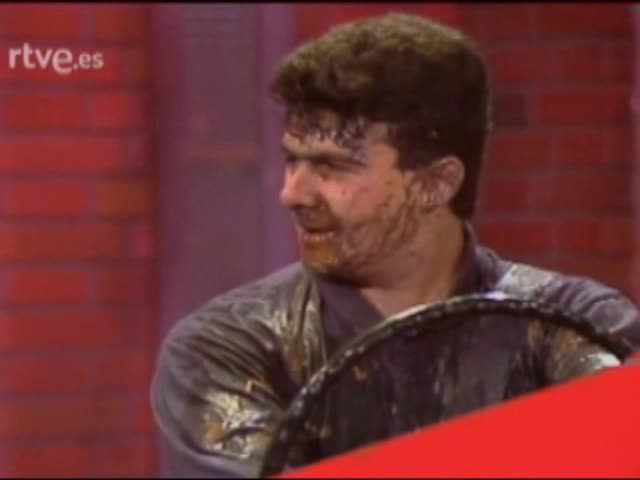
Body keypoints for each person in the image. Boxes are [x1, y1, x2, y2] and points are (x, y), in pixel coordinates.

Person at [150, 12, 640, 478]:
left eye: (331, 167)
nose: (293, 194)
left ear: (437, 183)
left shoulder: (577, 324)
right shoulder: (227, 351)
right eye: (292, 161)